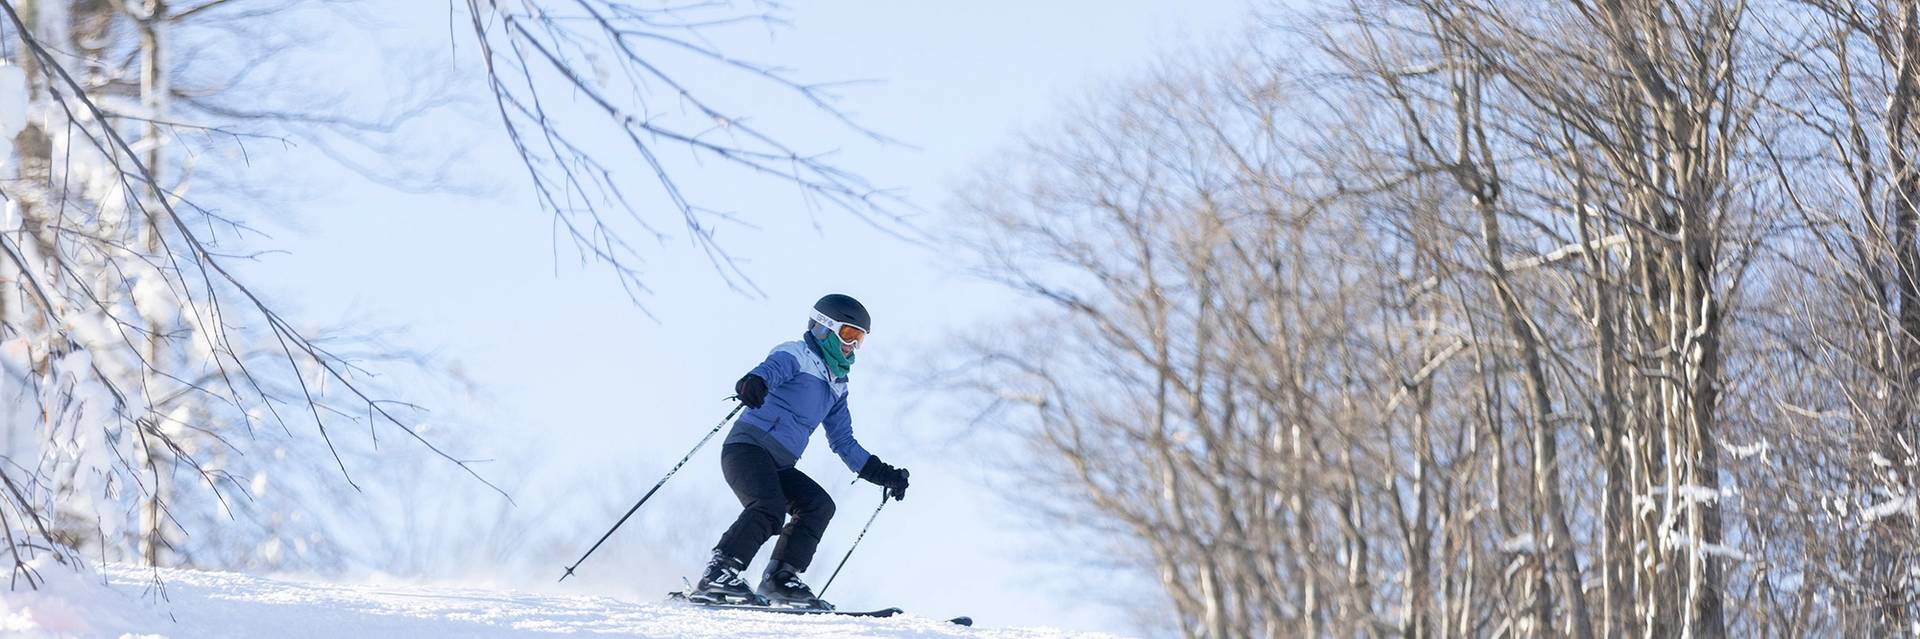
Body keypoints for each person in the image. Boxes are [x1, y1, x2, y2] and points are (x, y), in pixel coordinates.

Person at [688, 294, 911, 610]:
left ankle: (780, 578)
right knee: (769, 507)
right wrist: (754, 382)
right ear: (825, 327)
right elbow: (772, 369)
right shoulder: (797, 354)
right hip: (748, 449)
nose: (852, 346)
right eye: (848, 334)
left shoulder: (837, 385)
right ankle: (721, 572)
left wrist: (884, 475)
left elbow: (843, 442)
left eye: (859, 339)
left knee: (818, 505)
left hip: (778, 463)